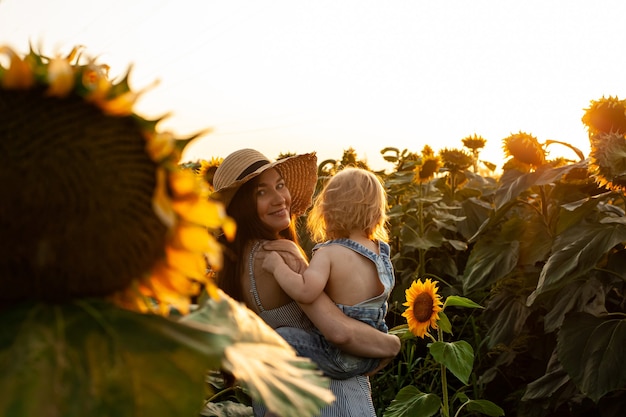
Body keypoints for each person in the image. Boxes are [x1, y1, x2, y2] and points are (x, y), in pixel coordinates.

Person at [211, 149, 400, 417]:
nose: (279, 198)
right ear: (242, 206)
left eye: (280, 185)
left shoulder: (235, 264)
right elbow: (340, 333)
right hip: (331, 401)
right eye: (261, 192)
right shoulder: (282, 254)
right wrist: (392, 344)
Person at [262, 167, 394, 380]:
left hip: (338, 355)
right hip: (372, 353)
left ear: (329, 210)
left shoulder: (330, 253)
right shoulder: (380, 252)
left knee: (278, 338)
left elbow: (306, 291)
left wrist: (277, 267)